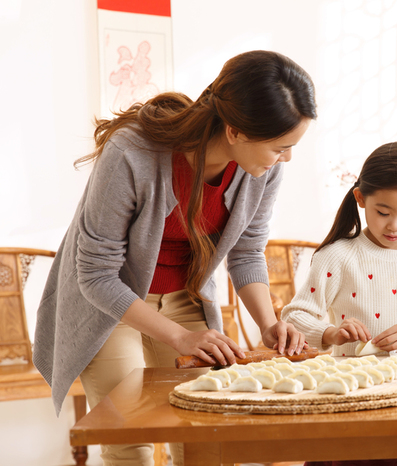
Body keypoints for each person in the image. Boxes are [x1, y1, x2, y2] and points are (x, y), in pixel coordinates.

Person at [33, 50, 316, 466]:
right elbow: (95, 274)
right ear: (235, 131)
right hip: (111, 303)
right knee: (130, 438)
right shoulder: (132, 153)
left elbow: (247, 251)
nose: (287, 158)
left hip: (186, 296)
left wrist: (270, 325)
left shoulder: (263, 169)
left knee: (204, 434)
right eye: (281, 147)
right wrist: (181, 339)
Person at [282, 142, 397, 466]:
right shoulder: (337, 256)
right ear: (361, 199)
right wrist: (330, 333)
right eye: (383, 212)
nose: (395, 226)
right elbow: (295, 315)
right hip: (352, 401)